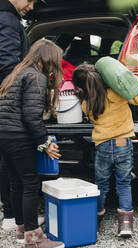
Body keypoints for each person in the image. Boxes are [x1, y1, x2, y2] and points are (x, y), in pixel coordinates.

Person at [0, 39, 65, 248]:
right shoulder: (37, 77)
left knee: (16, 183)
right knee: (30, 184)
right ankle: (33, 238)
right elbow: (31, 116)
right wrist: (44, 142)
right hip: (19, 136)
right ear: (48, 59)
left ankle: (21, 229)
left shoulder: (16, 72)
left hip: (4, 135)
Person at [72, 63, 138, 238]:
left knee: (102, 185)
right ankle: (126, 224)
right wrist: (137, 81)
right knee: (123, 183)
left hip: (103, 146)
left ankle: (96, 221)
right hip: (122, 143)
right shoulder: (117, 93)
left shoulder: (87, 103)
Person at [0, 0, 45, 231]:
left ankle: (14, 219)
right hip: (11, 112)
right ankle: (27, 229)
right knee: (26, 178)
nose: (31, 6)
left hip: (4, 116)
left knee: (8, 164)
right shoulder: (7, 19)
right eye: (30, 0)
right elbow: (7, 65)